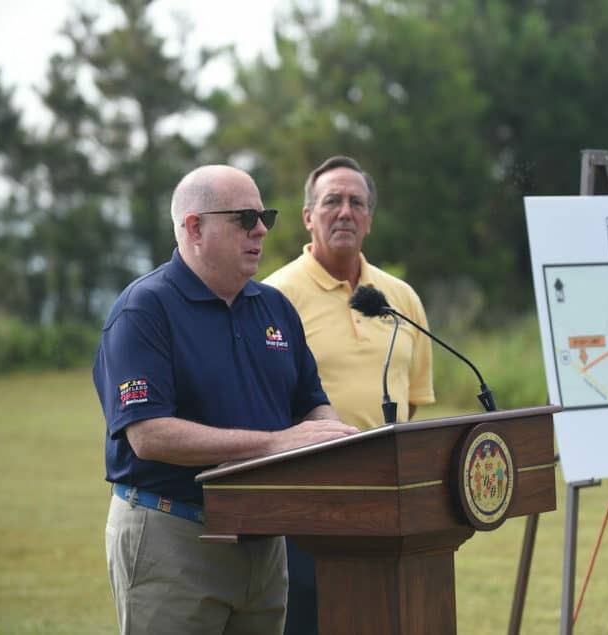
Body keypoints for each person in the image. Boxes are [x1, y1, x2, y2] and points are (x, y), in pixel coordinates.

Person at [92, 164, 358, 635]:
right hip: (173, 534)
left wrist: (331, 436)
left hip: (264, 540)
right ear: (194, 227)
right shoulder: (144, 309)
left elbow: (311, 401)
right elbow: (149, 435)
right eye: (244, 218)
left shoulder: (274, 307)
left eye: (265, 217)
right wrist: (276, 443)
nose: (260, 230)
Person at [264, 155, 435, 634]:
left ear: (369, 219)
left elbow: (413, 399)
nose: (345, 212)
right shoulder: (273, 297)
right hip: (304, 502)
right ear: (307, 216)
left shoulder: (400, 297)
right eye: (332, 201)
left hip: (386, 496)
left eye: (356, 202)